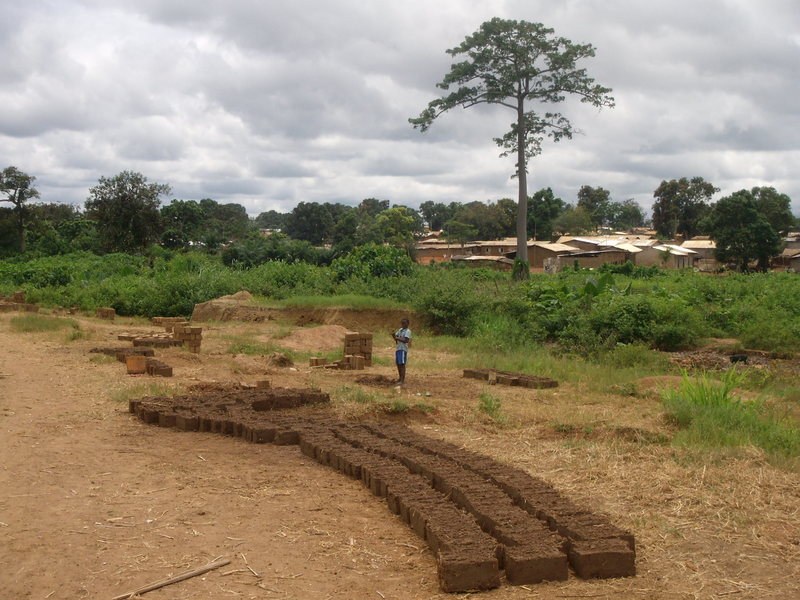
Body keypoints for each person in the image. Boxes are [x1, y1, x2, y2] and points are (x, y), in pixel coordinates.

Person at [392, 318, 412, 386]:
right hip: (398, 349)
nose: (403, 324)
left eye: (404, 323)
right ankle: (400, 378)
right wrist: (393, 335)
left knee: (402, 364)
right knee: (398, 364)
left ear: (408, 324)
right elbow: (396, 337)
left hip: (403, 349)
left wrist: (396, 338)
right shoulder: (400, 330)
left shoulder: (408, 331)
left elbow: (406, 340)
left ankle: (402, 380)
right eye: (402, 323)